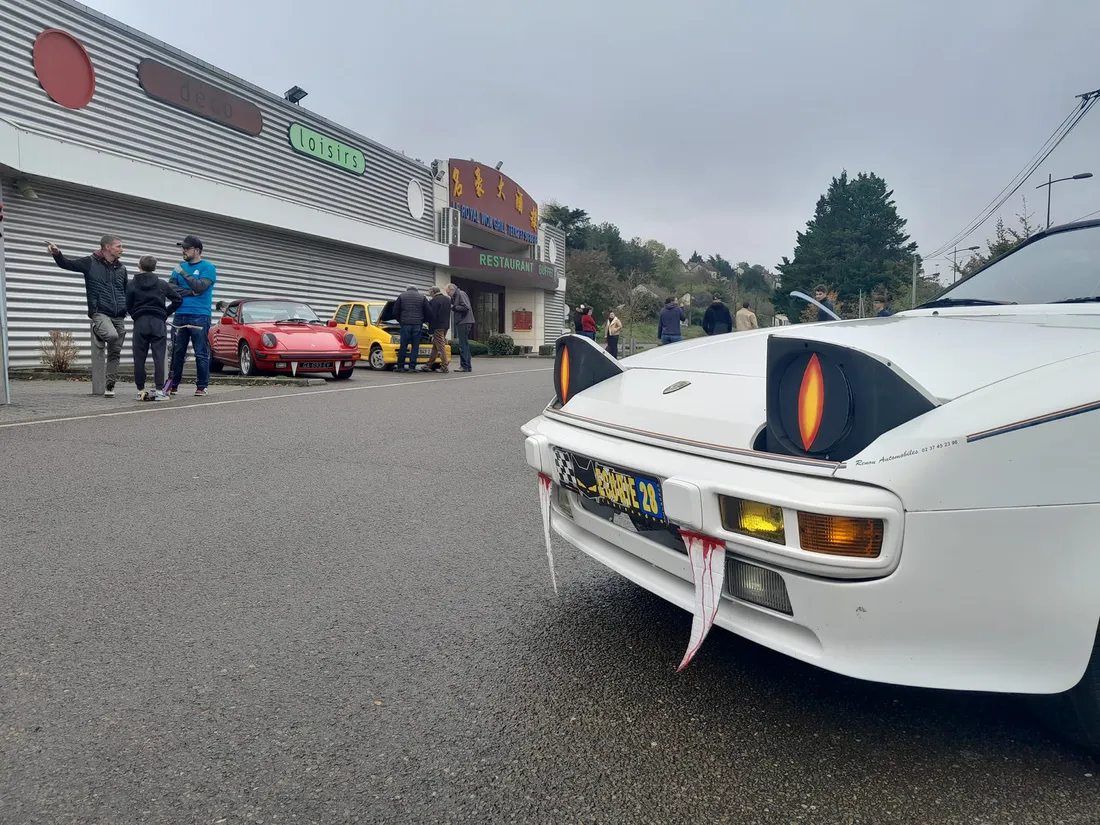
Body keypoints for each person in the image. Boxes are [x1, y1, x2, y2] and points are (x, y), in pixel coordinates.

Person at [46, 235, 129, 398]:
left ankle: (110, 385)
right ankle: (98, 331)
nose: (122, 249)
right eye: (118, 246)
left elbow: (125, 291)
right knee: (111, 335)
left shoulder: (122, 268)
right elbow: (67, 264)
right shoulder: (90, 262)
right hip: (100, 311)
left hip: (118, 314)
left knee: (115, 353)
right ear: (107, 247)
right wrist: (57, 254)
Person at [126, 255, 183, 400]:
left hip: (140, 322)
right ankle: (159, 391)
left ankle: (140, 390)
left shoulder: (131, 284)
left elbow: (127, 305)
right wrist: (165, 313)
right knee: (159, 357)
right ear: (155, 268)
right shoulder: (161, 284)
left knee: (139, 357)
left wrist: (135, 315)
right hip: (158, 322)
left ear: (139, 266)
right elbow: (178, 299)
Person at [167, 235, 217, 396]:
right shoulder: (179, 266)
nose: (184, 251)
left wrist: (184, 274)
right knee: (177, 351)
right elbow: (170, 289)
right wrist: (191, 292)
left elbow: (201, 287)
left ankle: (202, 386)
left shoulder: (208, 267)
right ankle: (173, 385)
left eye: (187, 248)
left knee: (200, 351)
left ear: (197, 250)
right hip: (180, 313)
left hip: (200, 315)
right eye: (183, 248)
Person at [392, 285, 431, 372]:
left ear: (407, 289)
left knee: (403, 345)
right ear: (417, 290)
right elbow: (428, 311)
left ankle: (400, 366)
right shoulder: (422, 297)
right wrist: (422, 321)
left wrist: (400, 320)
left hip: (405, 323)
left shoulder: (402, 296)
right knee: (415, 346)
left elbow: (395, 311)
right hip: (417, 324)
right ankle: (412, 367)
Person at [421, 286, 452, 373]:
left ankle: (444, 366)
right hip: (445, 325)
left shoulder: (434, 301)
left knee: (441, 346)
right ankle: (429, 364)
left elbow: (433, 316)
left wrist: (430, 331)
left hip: (437, 326)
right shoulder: (447, 299)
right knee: (435, 345)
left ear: (432, 292)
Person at [447, 283, 475, 373]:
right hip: (464, 321)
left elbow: (466, 307)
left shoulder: (461, 294)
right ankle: (467, 366)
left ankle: (464, 366)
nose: (448, 294)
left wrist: (453, 307)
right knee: (464, 344)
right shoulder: (457, 295)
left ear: (452, 290)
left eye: (448, 292)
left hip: (464, 321)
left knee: (463, 344)